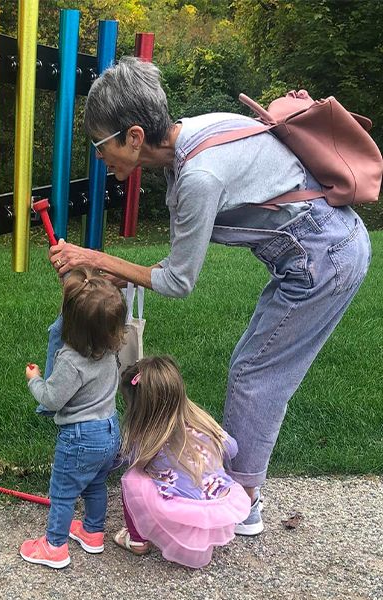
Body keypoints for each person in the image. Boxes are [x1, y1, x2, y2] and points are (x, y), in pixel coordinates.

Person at [49, 57, 371, 535]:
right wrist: (124, 272)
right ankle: (237, 491)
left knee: (257, 372)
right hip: (321, 251)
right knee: (253, 365)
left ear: (134, 136)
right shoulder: (193, 137)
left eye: (101, 145)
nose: (99, 158)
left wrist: (95, 260)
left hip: (324, 260)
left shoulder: (199, 176)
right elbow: (181, 256)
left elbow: (179, 282)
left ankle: (242, 502)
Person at [20, 267, 127, 569]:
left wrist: (34, 380)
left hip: (81, 436)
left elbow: (53, 399)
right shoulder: (109, 351)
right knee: (95, 484)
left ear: (71, 324)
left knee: (63, 492)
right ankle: (93, 533)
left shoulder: (70, 360)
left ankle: (54, 546)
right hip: (109, 430)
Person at [115, 356, 250, 568]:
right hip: (219, 506)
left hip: (183, 513)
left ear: (139, 408)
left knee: (131, 479)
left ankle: (137, 540)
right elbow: (232, 448)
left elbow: (128, 460)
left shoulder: (143, 440)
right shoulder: (203, 422)